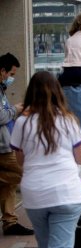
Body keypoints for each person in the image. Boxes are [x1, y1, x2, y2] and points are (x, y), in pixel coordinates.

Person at [10, 71, 81, 248]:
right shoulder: (68, 120)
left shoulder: (21, 123)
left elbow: (20, 161)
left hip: (35, 194)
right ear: (57, 93)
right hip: (66, 193)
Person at [0, 53, 34, 236]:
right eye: (11, 73)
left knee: (8, 185)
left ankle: (9, 221)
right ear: (2, 70)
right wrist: (16, 110)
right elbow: (1, 116)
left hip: (6, 144)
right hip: (3, 148)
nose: (11, 78)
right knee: (26, 173)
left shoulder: (1, 89)